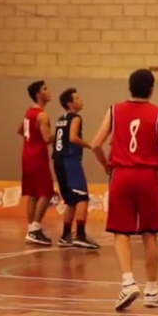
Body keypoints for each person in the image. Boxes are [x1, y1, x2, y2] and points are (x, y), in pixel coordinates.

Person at [90, 69, 158, 311]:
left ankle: (128, 283)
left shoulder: (114, 110)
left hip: (121, 174)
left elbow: (95, 144)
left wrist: (106, 165)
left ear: (130, 86)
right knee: (149, 233)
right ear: (151, 88)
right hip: (147, 176)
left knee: (120, 232)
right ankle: (152, 291)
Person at [53, 88, 99, 250]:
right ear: (70, 104)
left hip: (58, 161)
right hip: (70, 161)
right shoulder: (76, 118)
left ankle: (65, 235)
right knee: (82, 198)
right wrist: (90, 145)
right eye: (77, 98)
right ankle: (80, 235)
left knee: (71, 201)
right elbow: (73, 137)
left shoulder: (60, 119)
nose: (81, 100)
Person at [18, 80, 55, 246]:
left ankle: (31, 228)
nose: (49, 91)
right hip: (38, 157)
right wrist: (61, 133)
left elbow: (20, 130)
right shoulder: (42, 115)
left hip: (26, 155)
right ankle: (35, 228)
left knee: (33, 193)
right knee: (46, 192)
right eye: (45, 89)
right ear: (39, 94)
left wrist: (31, 139)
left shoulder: (29, 113)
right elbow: (47, 139)